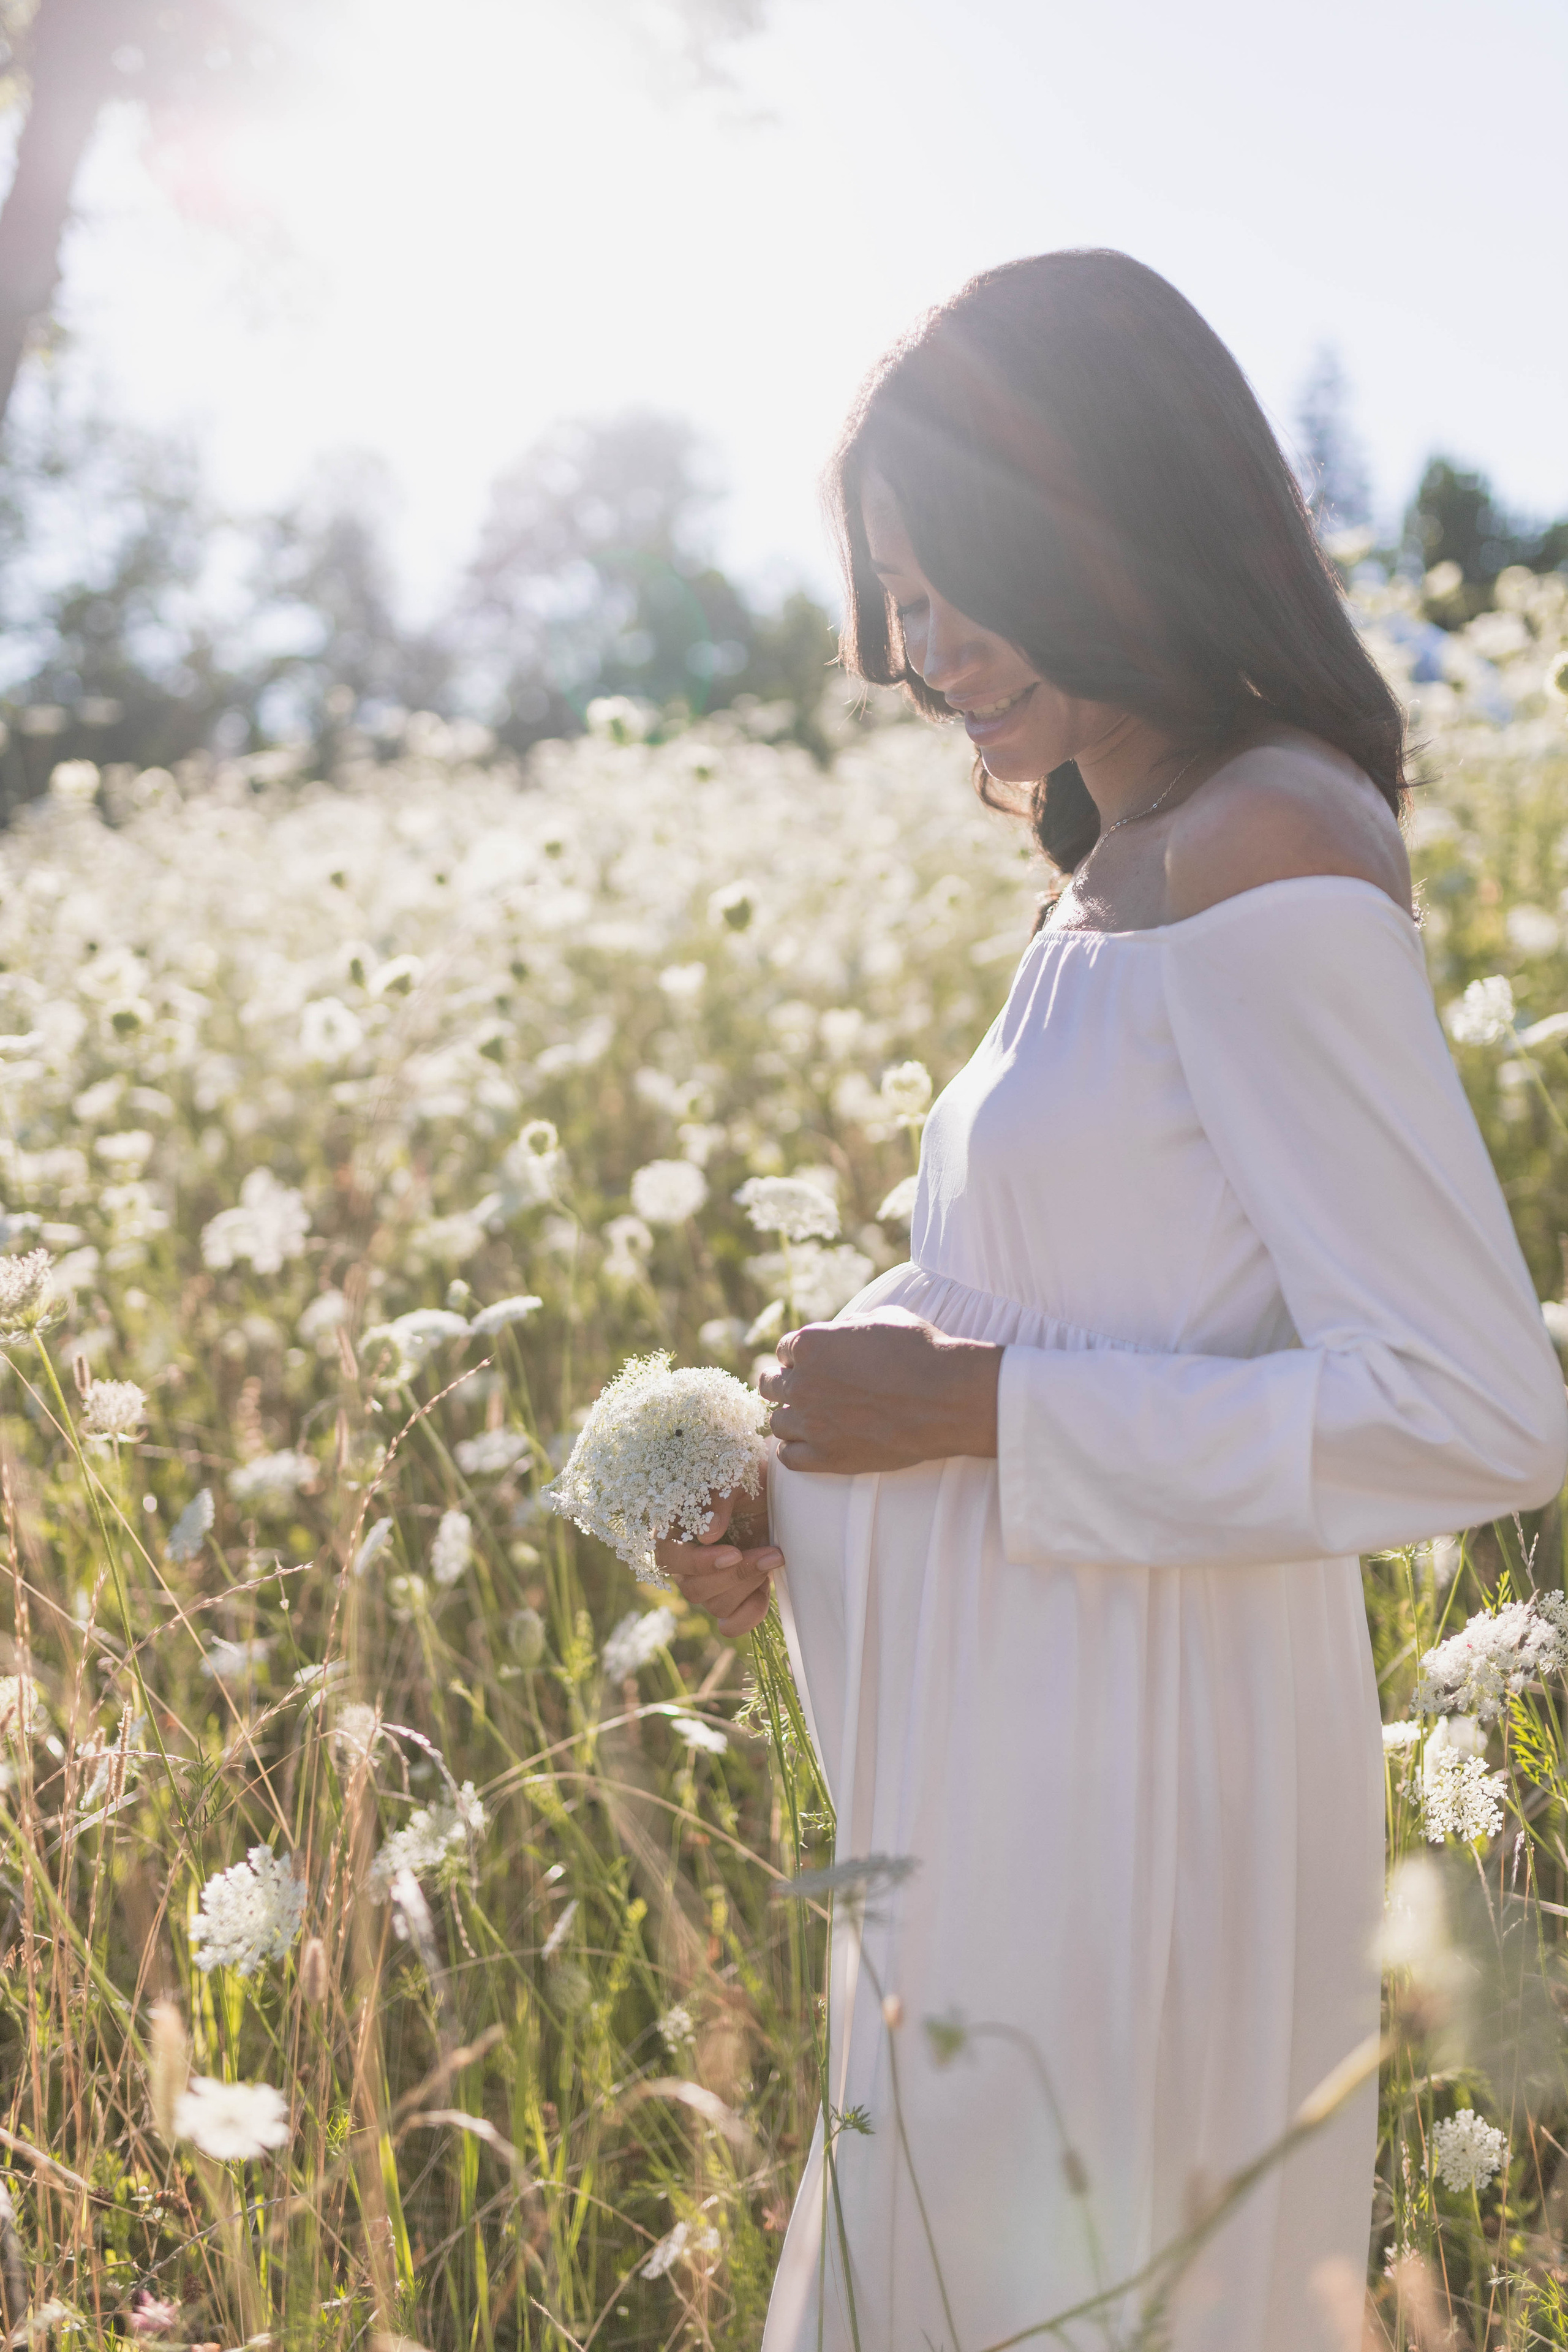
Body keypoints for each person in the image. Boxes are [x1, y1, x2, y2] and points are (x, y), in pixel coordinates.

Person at [655, 251, 1568, 2351]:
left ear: (1120, 514)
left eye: (958, 578)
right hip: (1028, 1750)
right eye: (898, 594)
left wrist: (969, 1415)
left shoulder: (1267, 847)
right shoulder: (1127, 854)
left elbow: (1473, 1407)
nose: (919, 649)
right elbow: (1089, 1303)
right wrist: (794, 1492)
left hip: (1137, 1773)